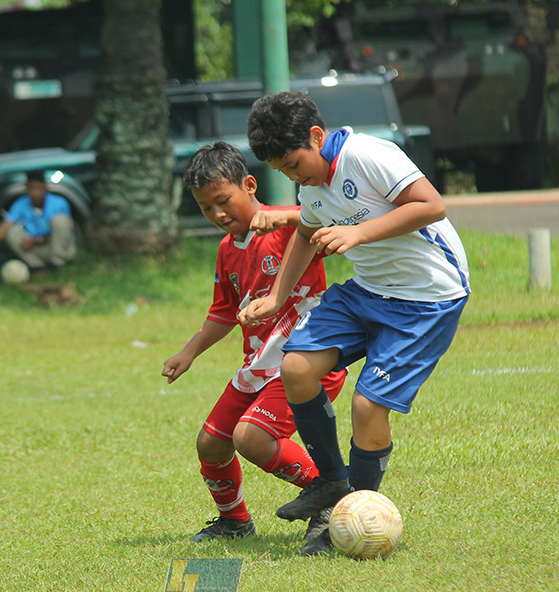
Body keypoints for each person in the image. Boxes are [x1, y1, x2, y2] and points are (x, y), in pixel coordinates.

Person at [239, 91, 471, 556]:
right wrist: (276, 297)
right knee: (297, 368)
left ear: (316, 136)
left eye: (293, 164)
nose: (293, 176)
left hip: (426, 297)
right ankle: (331, 482)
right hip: (368, 290)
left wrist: (358, 232)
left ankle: (354, 515)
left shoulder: (366, 155)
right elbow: (306, 233)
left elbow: (431, 205)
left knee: (367, 407)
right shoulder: (311, 185)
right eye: (283, 171)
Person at [162, 142, 347, 544]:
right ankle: (235, 522)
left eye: (223, 201)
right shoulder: (227, 250)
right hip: (259, 366)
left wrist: (284, 216)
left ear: (249, 185)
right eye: (205, 208)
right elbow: (223, 312)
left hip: (305, 360)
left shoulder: (288, 229)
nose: (217, 214)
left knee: (252, 438)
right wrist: (189, 352)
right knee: (211, 443)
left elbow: (325, 218)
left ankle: (333, 495)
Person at [0, 170, 77, 272]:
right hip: (37, 249)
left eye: (38, 188)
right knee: (10, 231)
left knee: (60, 220)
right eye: (32, 188)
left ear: (45, 188)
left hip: (58, 248)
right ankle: (37, 267)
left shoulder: (60, 203)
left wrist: (36, 240)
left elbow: (64, 232)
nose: (35, 193)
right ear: (26, 189)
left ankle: (58, 264)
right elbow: (6, 224)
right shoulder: (20, 204)